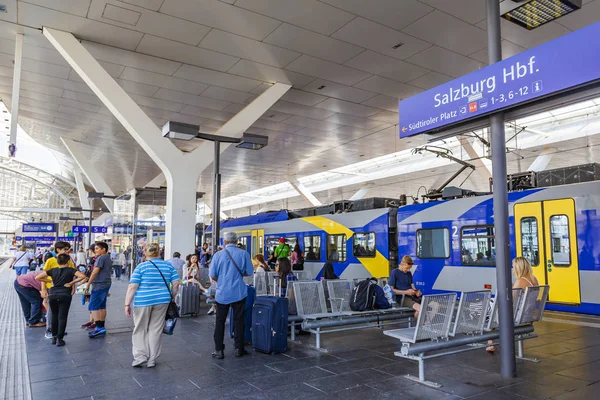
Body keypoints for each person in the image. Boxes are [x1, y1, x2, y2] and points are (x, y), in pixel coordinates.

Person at [125, 243, 180, 368]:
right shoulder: (168, 265)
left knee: (140, 328)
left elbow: (133, 286)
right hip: (162, 300)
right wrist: (172, 296)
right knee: (156, 329)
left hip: (143, 301)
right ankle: (152, 360)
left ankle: (140, 357)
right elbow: (176, 284)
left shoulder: (141, 267)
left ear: (145, 252)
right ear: (159, 252)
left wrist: (127, 303)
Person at [210, 232, 253, 359]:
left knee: (220, 321)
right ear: (236, 241)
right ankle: (239, 349)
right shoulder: (244, 254)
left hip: (222, 293)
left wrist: (223, 280)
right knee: (239, 321)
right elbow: (249, 272)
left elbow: (212, 275)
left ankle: (219, 350)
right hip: (239, 292)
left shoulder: (217, 255)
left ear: (225, 242)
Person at [487, 257, 540, 353]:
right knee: (493, 310)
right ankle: (490, 341)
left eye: (514, 266)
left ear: (518, 268)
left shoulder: (520, 281)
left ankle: (490, 342)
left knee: (492, 308)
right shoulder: (534, 279)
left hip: (517, 317)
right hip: (528, 315)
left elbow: (510, 300)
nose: (512, 268)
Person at [36, 254, 87, 346]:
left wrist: (50, 281)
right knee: (62, 317)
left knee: (54, 316)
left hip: (53, 294)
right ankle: (60, 339)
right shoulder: (71, 270)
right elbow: (82, 276)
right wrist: (71, 283)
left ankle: (54, 337)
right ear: (68, 262)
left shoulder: (52, 270)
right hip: (65, 295)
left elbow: (38, 277)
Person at [42, 241, 76, 339]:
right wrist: (43, 289)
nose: (67, 251)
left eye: (68, 250)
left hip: (65, 289)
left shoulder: (69, 260)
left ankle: (59, 331)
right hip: (51, 288)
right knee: (52, 312)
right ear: (58, 250)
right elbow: (42, 275)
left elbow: (72, 275)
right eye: (65, 249)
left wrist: (72, 286)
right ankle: (50, 330)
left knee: (62, 312)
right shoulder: (50, 261)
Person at [85, 242, 112, 338]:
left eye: (97, 248)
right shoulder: (107, 258)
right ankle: (101, 326)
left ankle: (99, 328)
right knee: (102, 305)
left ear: (103, 249)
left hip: (99, 284)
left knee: (93, 306)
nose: (95, 250)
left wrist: (88, 284)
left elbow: (95, 271)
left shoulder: (101, 258)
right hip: (105, 283)